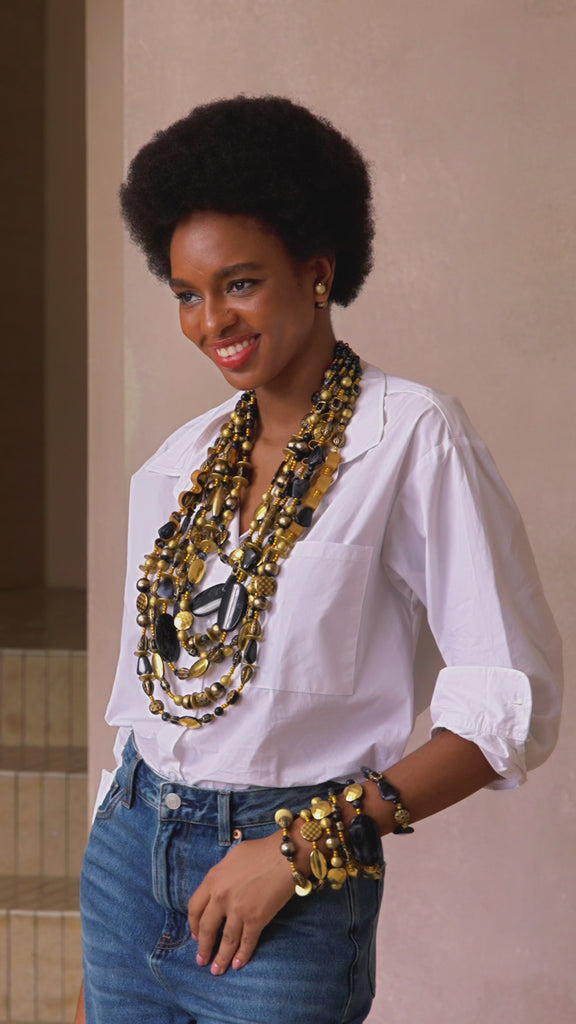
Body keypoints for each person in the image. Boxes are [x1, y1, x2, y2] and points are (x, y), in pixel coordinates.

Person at [77, 95, 562, 1024]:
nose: (211, 319)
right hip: (128, 861)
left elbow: (509, 704)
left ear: (316, 272)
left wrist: (298, 848)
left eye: (239, 283)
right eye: (187, 293)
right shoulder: (178, 465)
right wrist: (107, 927)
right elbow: (150, 706)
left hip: (291, 882)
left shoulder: (411, 436)